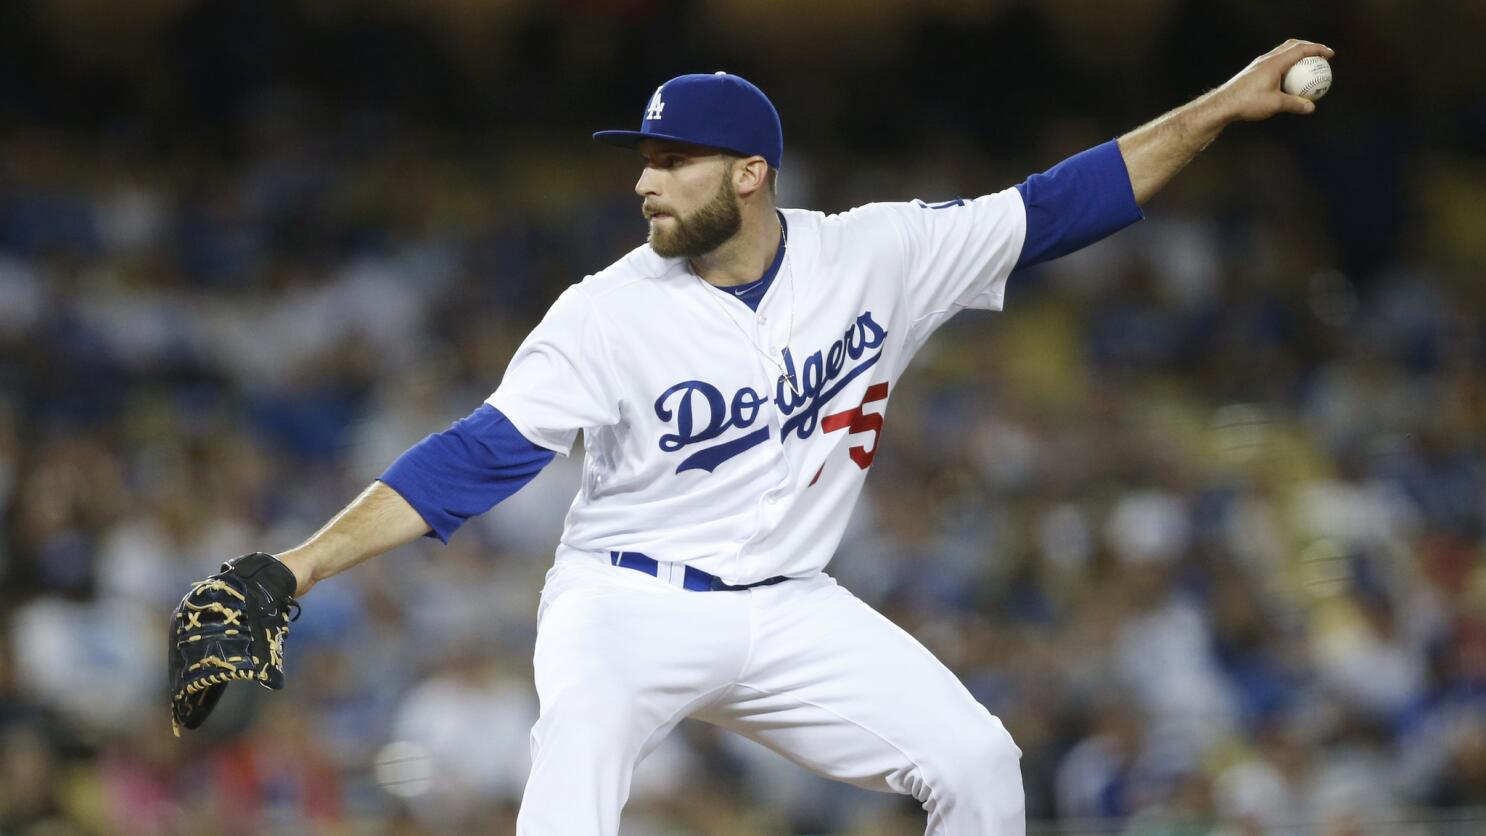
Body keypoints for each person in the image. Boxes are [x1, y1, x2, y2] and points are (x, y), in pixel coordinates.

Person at [200, 39, 1334, 835]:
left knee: (980, 762)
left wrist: (1222, 105)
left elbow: (1064, 202)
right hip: (625, 600)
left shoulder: (875, 254)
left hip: (791, 602)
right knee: (571, 781)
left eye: (672, 158)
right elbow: (475, 456)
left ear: (750, 174)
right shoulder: (605, 309)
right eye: (642, 156)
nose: (645, 178)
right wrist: (296, 565)